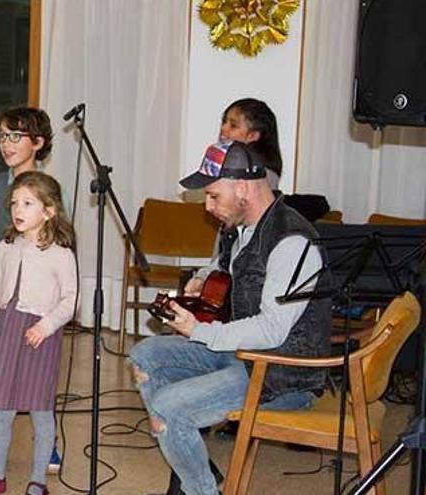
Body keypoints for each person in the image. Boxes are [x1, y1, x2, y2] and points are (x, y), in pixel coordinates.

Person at [129, 140, 331, 495]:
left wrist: (200, 330)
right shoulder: (241, 227)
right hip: (241, 356)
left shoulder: (292, 242)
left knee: (168, 408)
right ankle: (195, 467)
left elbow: (271, 329)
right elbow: (229, 265)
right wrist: (203, 278)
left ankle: (197, 485)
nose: (208, 208)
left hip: (280, 373)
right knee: (145, 355)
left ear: (242, 187)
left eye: (212, 196)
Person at [0, 171, 78, 495]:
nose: (18, 209)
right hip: (7, 329)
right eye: (15, 202)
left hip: (40, 336)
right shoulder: (7, 245)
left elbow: (71, 300)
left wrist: (45, 326)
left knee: (41, 412)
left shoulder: (60, 251)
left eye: (28, 203)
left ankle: (38, 481)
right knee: (1, 409)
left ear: (49, 210)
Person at [0, 107, 63, 473]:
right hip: (1, 296)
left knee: (40, 372)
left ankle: (47, 442)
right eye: (1, 136)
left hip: (39, 303)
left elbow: (62, 243)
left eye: (15, 136)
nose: (6, 144)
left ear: (37, 143)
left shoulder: (50, 190)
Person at [218, 98, 282, 191]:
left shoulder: (262, 176)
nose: (223, 128)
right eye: (224, 121)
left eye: (233, 125)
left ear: (253, 136)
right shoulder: (218, 164)